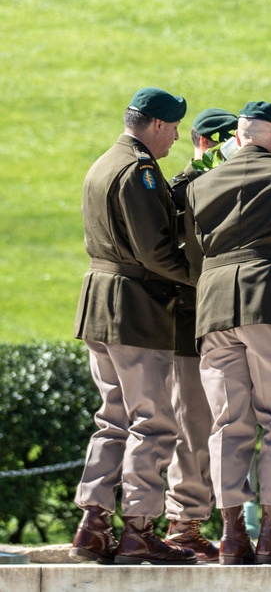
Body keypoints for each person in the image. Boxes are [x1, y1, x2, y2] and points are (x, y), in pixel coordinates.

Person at [185, 101, 271, 565]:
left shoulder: (201, 183)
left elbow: (194, 257)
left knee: (228, 424)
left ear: (239, 137)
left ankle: (230, 538)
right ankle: (270, 537)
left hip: (214, 308)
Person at [71, 87, 197, 565]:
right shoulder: (139, 170)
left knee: (113, 417)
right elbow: (155, 250)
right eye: (174, 128)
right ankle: (139, 528)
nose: (176, 137)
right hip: (135, 309)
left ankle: (93, 523)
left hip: (100, 303)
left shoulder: (104, 162)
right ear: (158, 125)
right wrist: (203, 278)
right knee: (153, 421)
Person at [162, 108, 239, 561]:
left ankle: (205, 522)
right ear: (210, 144)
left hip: (213, 320)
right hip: (189, 321)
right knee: (194, 426)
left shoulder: (191, 184)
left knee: (216, 425)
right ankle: (183, 525)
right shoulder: (182, 188)